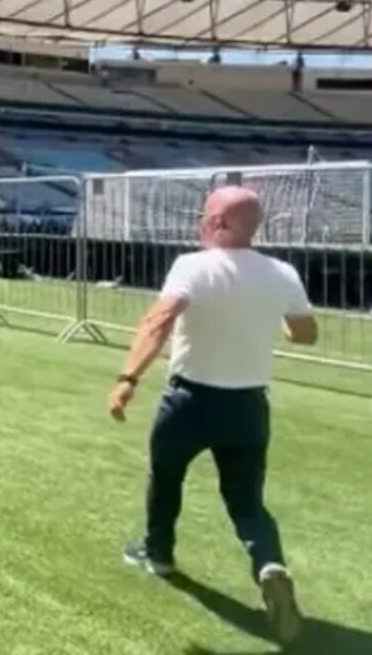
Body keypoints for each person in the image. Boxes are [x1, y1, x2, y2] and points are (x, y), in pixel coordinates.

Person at [107, 186, 318, 645]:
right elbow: (306, 333)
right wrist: (274, 318)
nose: (200, 223)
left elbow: (158, 322)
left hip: (189, 401)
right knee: (247, 502)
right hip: (248, 406)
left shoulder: (192, 265)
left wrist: (128, 378)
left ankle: (158, 553)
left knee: (166, 476)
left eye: (204, 216)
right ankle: (269, 564)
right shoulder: (282, 273)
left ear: (218, 222)